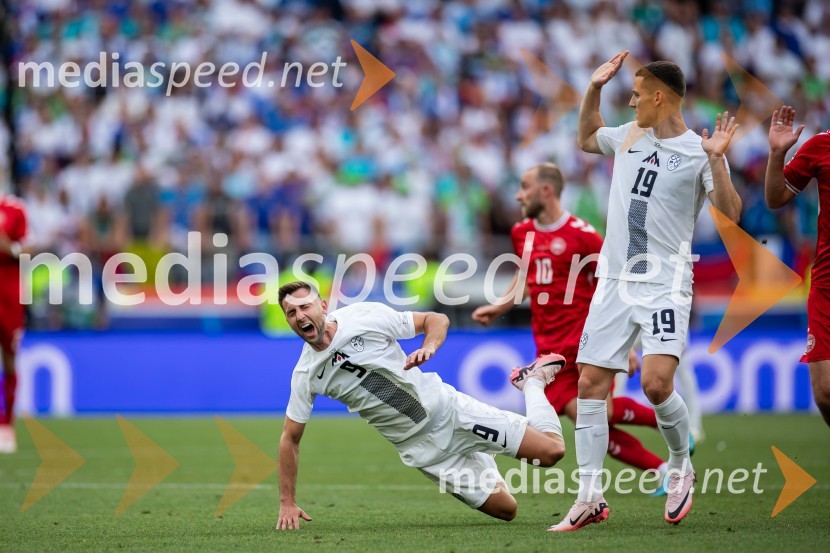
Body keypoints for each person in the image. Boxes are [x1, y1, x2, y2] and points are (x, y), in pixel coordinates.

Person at [551, 52, 741, 531]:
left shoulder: (701, 152)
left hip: (665, 283)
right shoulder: (628, 135)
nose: (630, 101)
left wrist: (717, 160)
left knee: (657, 384)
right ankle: (589, 496)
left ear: (660, 97)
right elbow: (587, 136)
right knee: (591, 385)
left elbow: (731, 213)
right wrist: (592, 88)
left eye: (636, 94)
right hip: (615, 282)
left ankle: (680, 464)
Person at [276, 281, 567, 530]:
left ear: (322, 306)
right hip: (423, 452)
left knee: (552, 452)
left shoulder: (363, 317)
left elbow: (435, 319)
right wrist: (287, 503)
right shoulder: (306, 374)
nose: (300, 315)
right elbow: (290, 438)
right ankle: (479, 450)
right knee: (507, 510)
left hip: (450, 413)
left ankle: (532, 383)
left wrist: (429, 346)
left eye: (305, 307)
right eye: (291, 313)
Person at [471, 162, 669, 481]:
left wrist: (625, 342)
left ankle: (666, 454)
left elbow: (615, 286)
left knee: (590, 418)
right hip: (549, 346)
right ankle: (667, 440)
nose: (519, 196)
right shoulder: (522, 232)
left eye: (524, 187)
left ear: (545, 190)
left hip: (585, 338)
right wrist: (499, 306)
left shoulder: (584, 236)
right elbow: (525, 276)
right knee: (591, 420)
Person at [765, 105, 830, 427]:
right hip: (826, 286)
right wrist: (777, 153)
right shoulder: (821, 145)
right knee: (825, 392)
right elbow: (775, 197)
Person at [0, 192, 28, 453]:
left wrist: (8, 247)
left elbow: (28, 250)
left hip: (8, 294)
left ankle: (6, 426)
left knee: (10, 359)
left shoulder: (15, 209)